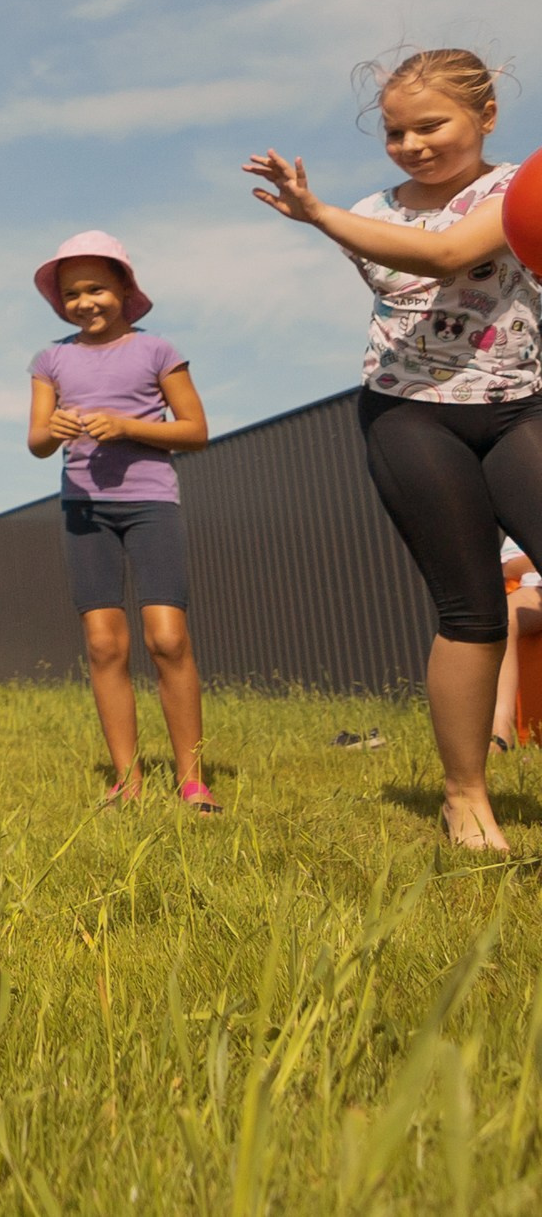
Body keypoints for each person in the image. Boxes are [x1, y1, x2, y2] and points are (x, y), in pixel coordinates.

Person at [245, 47, 542, 852]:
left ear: (486, 116)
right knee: (472, 606)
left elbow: (453, 255)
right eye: (394, 131)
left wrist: (318, 214)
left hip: (519, 408)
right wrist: (327, 214)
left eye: (431, 124)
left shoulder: (521, 188)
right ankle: (465, 795)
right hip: (411, 415)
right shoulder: (373, 210)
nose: (411, 143)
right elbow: (423, 261)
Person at [24, 233, 217, 812]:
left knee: (167, 638)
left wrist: (127, 426)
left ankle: (191, 778)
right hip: (84, 511)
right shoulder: (50, 360)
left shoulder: (158, 351)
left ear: (125, 290)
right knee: (105, 646)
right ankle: (127, 781)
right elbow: (36, 441)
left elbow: (196, 430)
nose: (86, 301)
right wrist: (51, 430)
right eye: (73, 293)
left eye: (97, 288)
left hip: (150, 505)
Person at [492, 538, 538, 751]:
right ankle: (500, 733)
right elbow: (508, 566)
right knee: (503, 618)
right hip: (536, 592)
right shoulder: (532, 506)